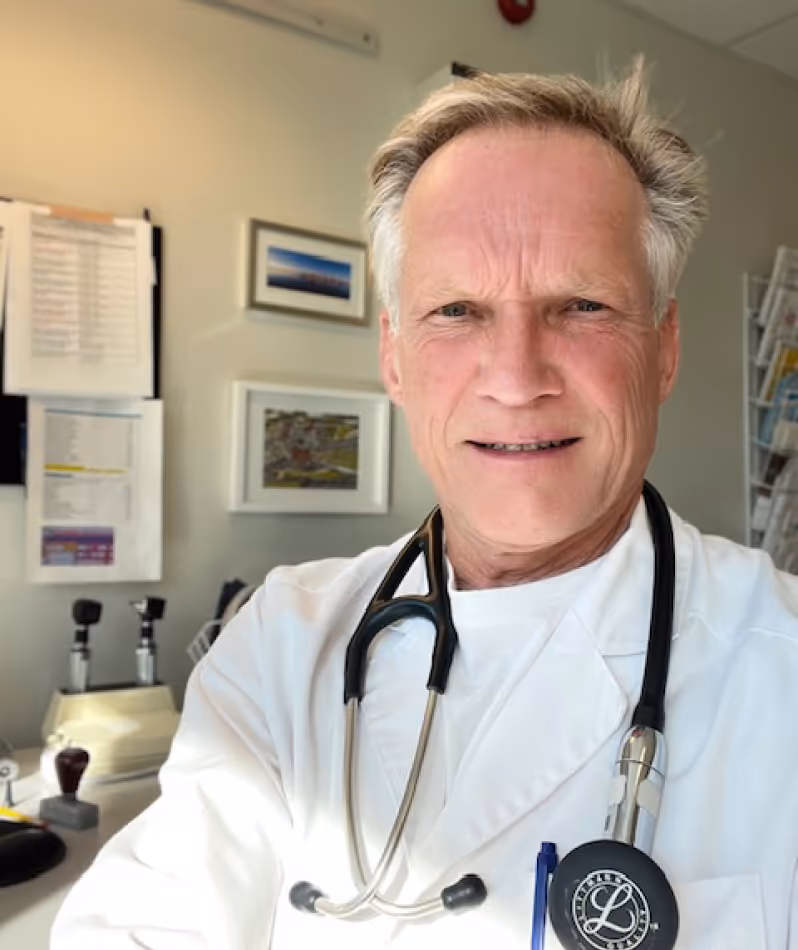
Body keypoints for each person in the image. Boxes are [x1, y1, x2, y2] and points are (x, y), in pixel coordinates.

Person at [51, 61, 798, 950]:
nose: (517, 378)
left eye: (583, 304)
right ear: (395, 358)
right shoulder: (282, 649)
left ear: (664, 348)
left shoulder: (779, 666)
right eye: (456, 310)